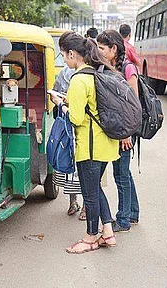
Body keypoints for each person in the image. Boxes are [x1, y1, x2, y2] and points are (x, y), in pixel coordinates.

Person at [49, 31, 119, 253]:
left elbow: (77, 118)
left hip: (89, 147)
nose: (64, 60)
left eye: (63, 55)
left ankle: (90, 238)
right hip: (105, 144)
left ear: (72, 53)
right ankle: (107, 233)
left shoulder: (79, 79)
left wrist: (61, 104)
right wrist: (68, 100)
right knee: (95, 188)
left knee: (89, 195)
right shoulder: (96, 74)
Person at [97, 30, 139, 232]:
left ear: (114, 48)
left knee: (120, 175)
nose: (99, 51)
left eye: (102, 48)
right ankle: (133, 213)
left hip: (125, 131)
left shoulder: (128, 69)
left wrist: (127, 134)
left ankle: (123, 220)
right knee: (124, 174)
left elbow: (133, 105)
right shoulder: (106, 68)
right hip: (114, 129)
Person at [52, 65, 83, 217]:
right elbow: (54, 92)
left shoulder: (90, 72)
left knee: (84, 166)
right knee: (72, 164)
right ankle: (74, 203)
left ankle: (85, 206)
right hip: (70, 125)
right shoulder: (65, 72)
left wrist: (60, 102)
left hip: (82, 126)